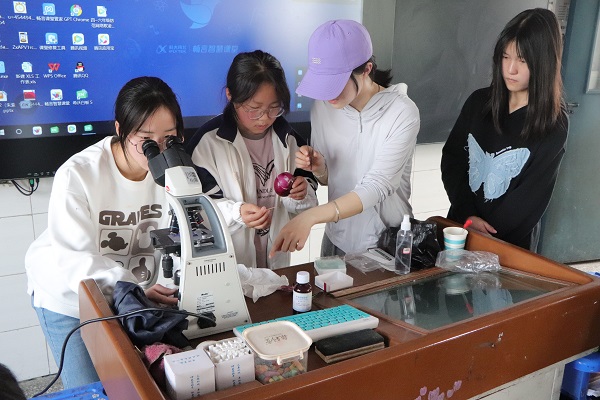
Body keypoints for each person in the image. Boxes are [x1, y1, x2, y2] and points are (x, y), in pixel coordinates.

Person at [25, 76, 182, 388]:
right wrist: (132, 292)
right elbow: (77, 260)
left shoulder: (173, 169)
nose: (158, 149)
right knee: (92, 390)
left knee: (136, 385)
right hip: (69, 296)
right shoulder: (78, 174)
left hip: (128, 293)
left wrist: (139, 292)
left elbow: (191, 220)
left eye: (169, 138)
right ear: (120, 129)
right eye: (146, 140)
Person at [268, 20, 420, 257]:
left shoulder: (401, 112)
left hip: (387, 243)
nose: (328, 93)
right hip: (336, 240)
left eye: (335, 83)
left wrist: (310, 217)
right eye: (322, 82)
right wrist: (320, 167)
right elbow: (329, 179)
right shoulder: (323, 107)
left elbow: (377, 186)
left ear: (366, 69)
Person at [440, 8, 568, 251]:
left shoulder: (553, 125)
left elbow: (530, 199)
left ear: (544, 63)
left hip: (508, 247)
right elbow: (452, 160)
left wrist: (486, 235)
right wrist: (468, 215)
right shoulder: (478, 102)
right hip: (461, 229)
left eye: (523, 60)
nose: (510, 69)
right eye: (506, 57)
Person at [188, 50, 318, 269]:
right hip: (230, 264)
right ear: (230, 96)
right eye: (254, 109)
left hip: (276, 259)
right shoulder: (207, 144)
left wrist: (301, 193)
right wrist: (236, 213)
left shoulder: (289, 139)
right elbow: (196, 210)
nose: (264, 118)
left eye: (274, 107)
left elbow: (308, 204)